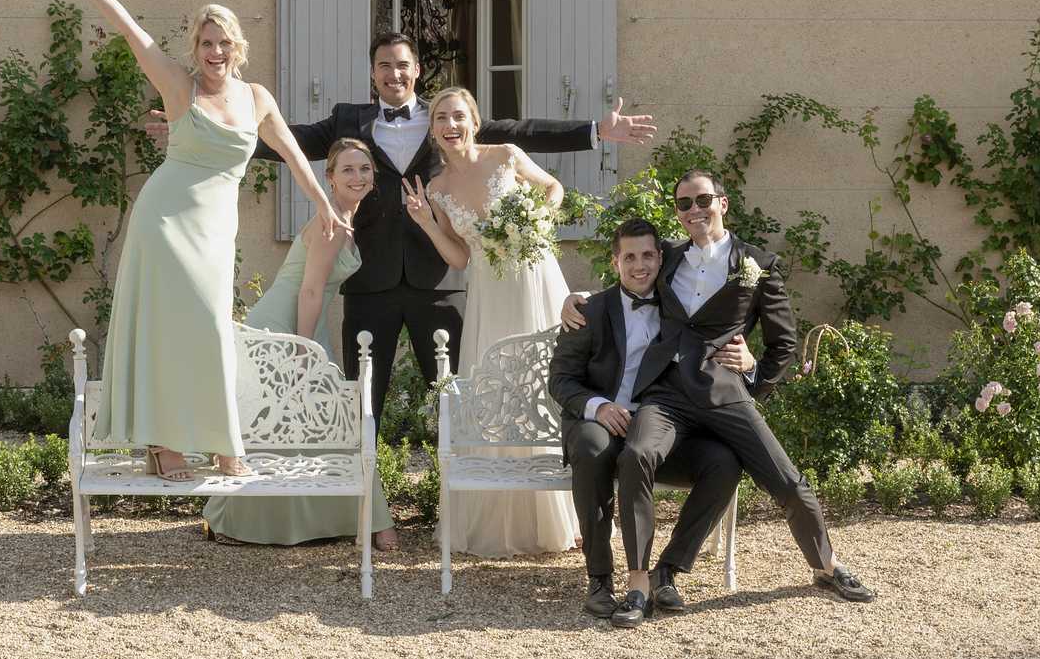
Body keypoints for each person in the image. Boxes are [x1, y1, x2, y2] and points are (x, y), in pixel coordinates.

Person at [156, 31, 657, 426]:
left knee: (457, 395)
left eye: (402, 64)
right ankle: (371, 516)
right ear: (372, 74)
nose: (394, 73)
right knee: (362, 400)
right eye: (384, 66)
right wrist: (198, 126)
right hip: (369, 282)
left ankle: (455, 501)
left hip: (439, 283)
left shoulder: (449, 119)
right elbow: (290, 141)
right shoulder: (347, 118)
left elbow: (520, 131)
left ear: (417, 70)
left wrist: (597, 132)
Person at [56, 0, 347, 481]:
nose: (215, 51)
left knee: (211, 327)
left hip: (215, 230)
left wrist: (324, 201)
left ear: (238, 47)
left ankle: (219, 439)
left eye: (223, 42)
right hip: (164, 221)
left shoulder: (257, 98)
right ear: (196, 47)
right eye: (206, 42)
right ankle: (164, 441)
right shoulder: (178, 86)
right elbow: (130, 32)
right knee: (170, 327)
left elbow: (294, 155)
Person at [561, 170, 875, 622]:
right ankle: (639, 584)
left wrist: (753, 375)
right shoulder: (667, 256)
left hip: (724, 394)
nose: (694, 210)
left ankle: (827, 566)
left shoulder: (758, 265)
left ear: (722, 203)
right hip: (666, 393)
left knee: (785, 479)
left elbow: (784, 343)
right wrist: (574, 298)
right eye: (684, 204)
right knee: (636, 456)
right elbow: (630, 276)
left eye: (703, 200)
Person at [401, 87, 577, 556]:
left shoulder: (506, 155)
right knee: (498, 392)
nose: (450, 124)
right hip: (489, 295)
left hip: (535, 279)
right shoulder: (436, 188)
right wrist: (426, 222)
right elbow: (459, 258)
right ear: (433, 129)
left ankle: (571, 515)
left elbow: (552, 188)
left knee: (547, 383)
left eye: (458, 115)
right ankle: (503, 519)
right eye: (441, 118)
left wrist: (537, 218)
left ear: (474, 121)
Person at [201, 138, 398, 549]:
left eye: (364, 169)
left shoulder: (345, 219)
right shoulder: (331, 224)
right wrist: (304, 351)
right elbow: (309, 291)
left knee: (312, 424)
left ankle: (348, 518)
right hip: (286, 328)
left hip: (304, 326)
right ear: (329, 177)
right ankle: (372, 523)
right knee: (294, 421)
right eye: (346, 169)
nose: (357, 176)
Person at [548, 217, 746, 620]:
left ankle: (667, 571)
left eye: (648, 256)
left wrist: (751, 360)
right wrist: (598, 407)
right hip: (602, 424)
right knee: (590, 447)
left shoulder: (681, 307)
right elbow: (562, 379)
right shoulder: (591, 309)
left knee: (724, 462)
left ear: (661, 258)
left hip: (663, 426)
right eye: (630, 257)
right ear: (616, 261)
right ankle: (599, 578)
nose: (640, 266)